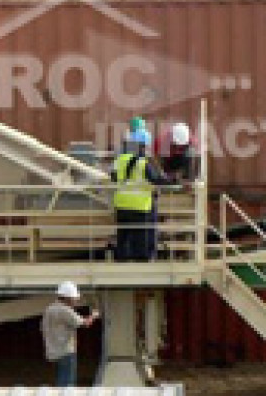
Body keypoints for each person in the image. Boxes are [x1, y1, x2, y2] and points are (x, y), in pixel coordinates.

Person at [111, 119, 172, 261]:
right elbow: (156, 179)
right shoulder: (143, 163)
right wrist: (172, 181)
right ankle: (142, 260)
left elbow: (114, 177)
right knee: (142, 238)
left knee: (124, 235)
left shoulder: (120, 160)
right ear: (142, 146)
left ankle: (121, 259)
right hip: (140, 207)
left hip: (121, 205)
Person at [41, 281, 100, 386]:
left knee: (60, 381)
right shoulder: (65, 310)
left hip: (53, 352)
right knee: (67, 383)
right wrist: (94, 315)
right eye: (74, 298)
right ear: (67, 298)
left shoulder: (49, 309)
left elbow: (42, 328)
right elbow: (85, 323)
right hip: (66, 352)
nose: (75, 301)